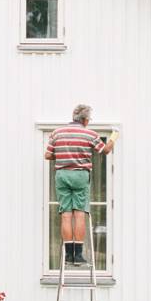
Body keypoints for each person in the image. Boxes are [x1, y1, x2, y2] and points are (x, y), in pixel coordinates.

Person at [45, 104, 119, 265]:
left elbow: (48, 155)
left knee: (65, 214)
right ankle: (77, 256)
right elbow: (105, 150)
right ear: (85, 120)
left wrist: (64, 157)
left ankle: (67, 255)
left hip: (62, 174)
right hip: (80, 174)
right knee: (79, 214)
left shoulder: (57, 133)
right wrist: (114, 136)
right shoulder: (90, 134)